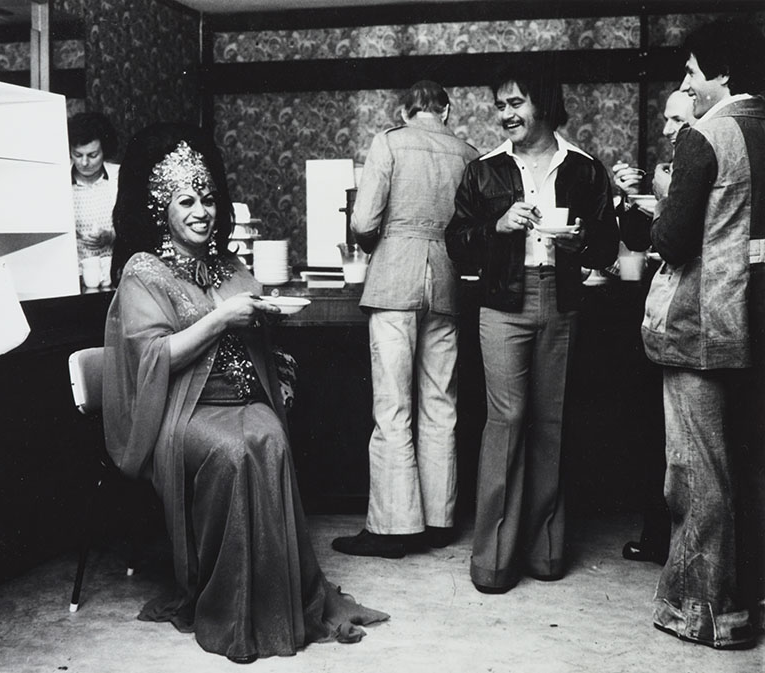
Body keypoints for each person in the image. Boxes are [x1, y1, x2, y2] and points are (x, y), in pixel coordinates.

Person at [104, 122, 388, 664]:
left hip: (242, 401)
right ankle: (226, 608)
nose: (200, 211)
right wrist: (220, 319)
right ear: (161, 207)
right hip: (183, 413)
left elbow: (259, 337)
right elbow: (152, 360)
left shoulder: (229, 264)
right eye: (185, 199)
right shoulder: (144, 271)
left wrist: (269, 348)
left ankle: (276, 602)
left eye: (208, 198)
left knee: (271, 437)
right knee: (233, 453)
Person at [445, 60, 619, 594]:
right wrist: (495, 228)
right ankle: (493, 559)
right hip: (502, 303)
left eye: (514, 103)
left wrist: (579, 241)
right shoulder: (484, 169)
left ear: (542, 102)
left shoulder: (585, 169)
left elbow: (607, 249)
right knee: (507, 419)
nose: (504, 115)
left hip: (561, 300)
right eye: (499, 105)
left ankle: (545, 552)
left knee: (549, 423)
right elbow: (456, 241)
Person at [641, 18, 765, 649]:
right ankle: (747, 601)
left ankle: (704, 612)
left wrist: (662, 199)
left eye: (693, 73)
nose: (689, 86)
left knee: (696, 473)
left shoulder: (706, 136)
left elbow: (671, 239)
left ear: (723, 75)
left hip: (701, 324)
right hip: (754, 321)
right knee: (746, 470)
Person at [331, 81, 480, 559]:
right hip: (448, 281)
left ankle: (394, 527)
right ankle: (439, 520)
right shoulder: (469, 153)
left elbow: (363, 222)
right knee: (441, 402)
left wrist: (384, 241)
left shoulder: (389, 141)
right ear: (447, 110)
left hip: (395, 276)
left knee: (392, 405)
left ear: (404, 109)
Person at [610, 89, 696, 566]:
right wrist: (630, 200)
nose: (666, 130)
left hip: (692, 310)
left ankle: (674, 540)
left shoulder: (702, 167)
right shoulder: (674, 169)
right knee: (654, 429)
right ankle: (658, 532)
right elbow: (641, 238)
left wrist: (658, 202)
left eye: (675, 121)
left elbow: (679, 237)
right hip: (660, 310)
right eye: (665, 120)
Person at [68, 112, 119, 267]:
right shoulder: (60, 183)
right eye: (77, 155)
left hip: (112, 268)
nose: (84, 162)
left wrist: (111, 236)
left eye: (92, 155)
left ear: (104, 151)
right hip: (73, 269)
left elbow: (135, 225)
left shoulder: (119, 176)